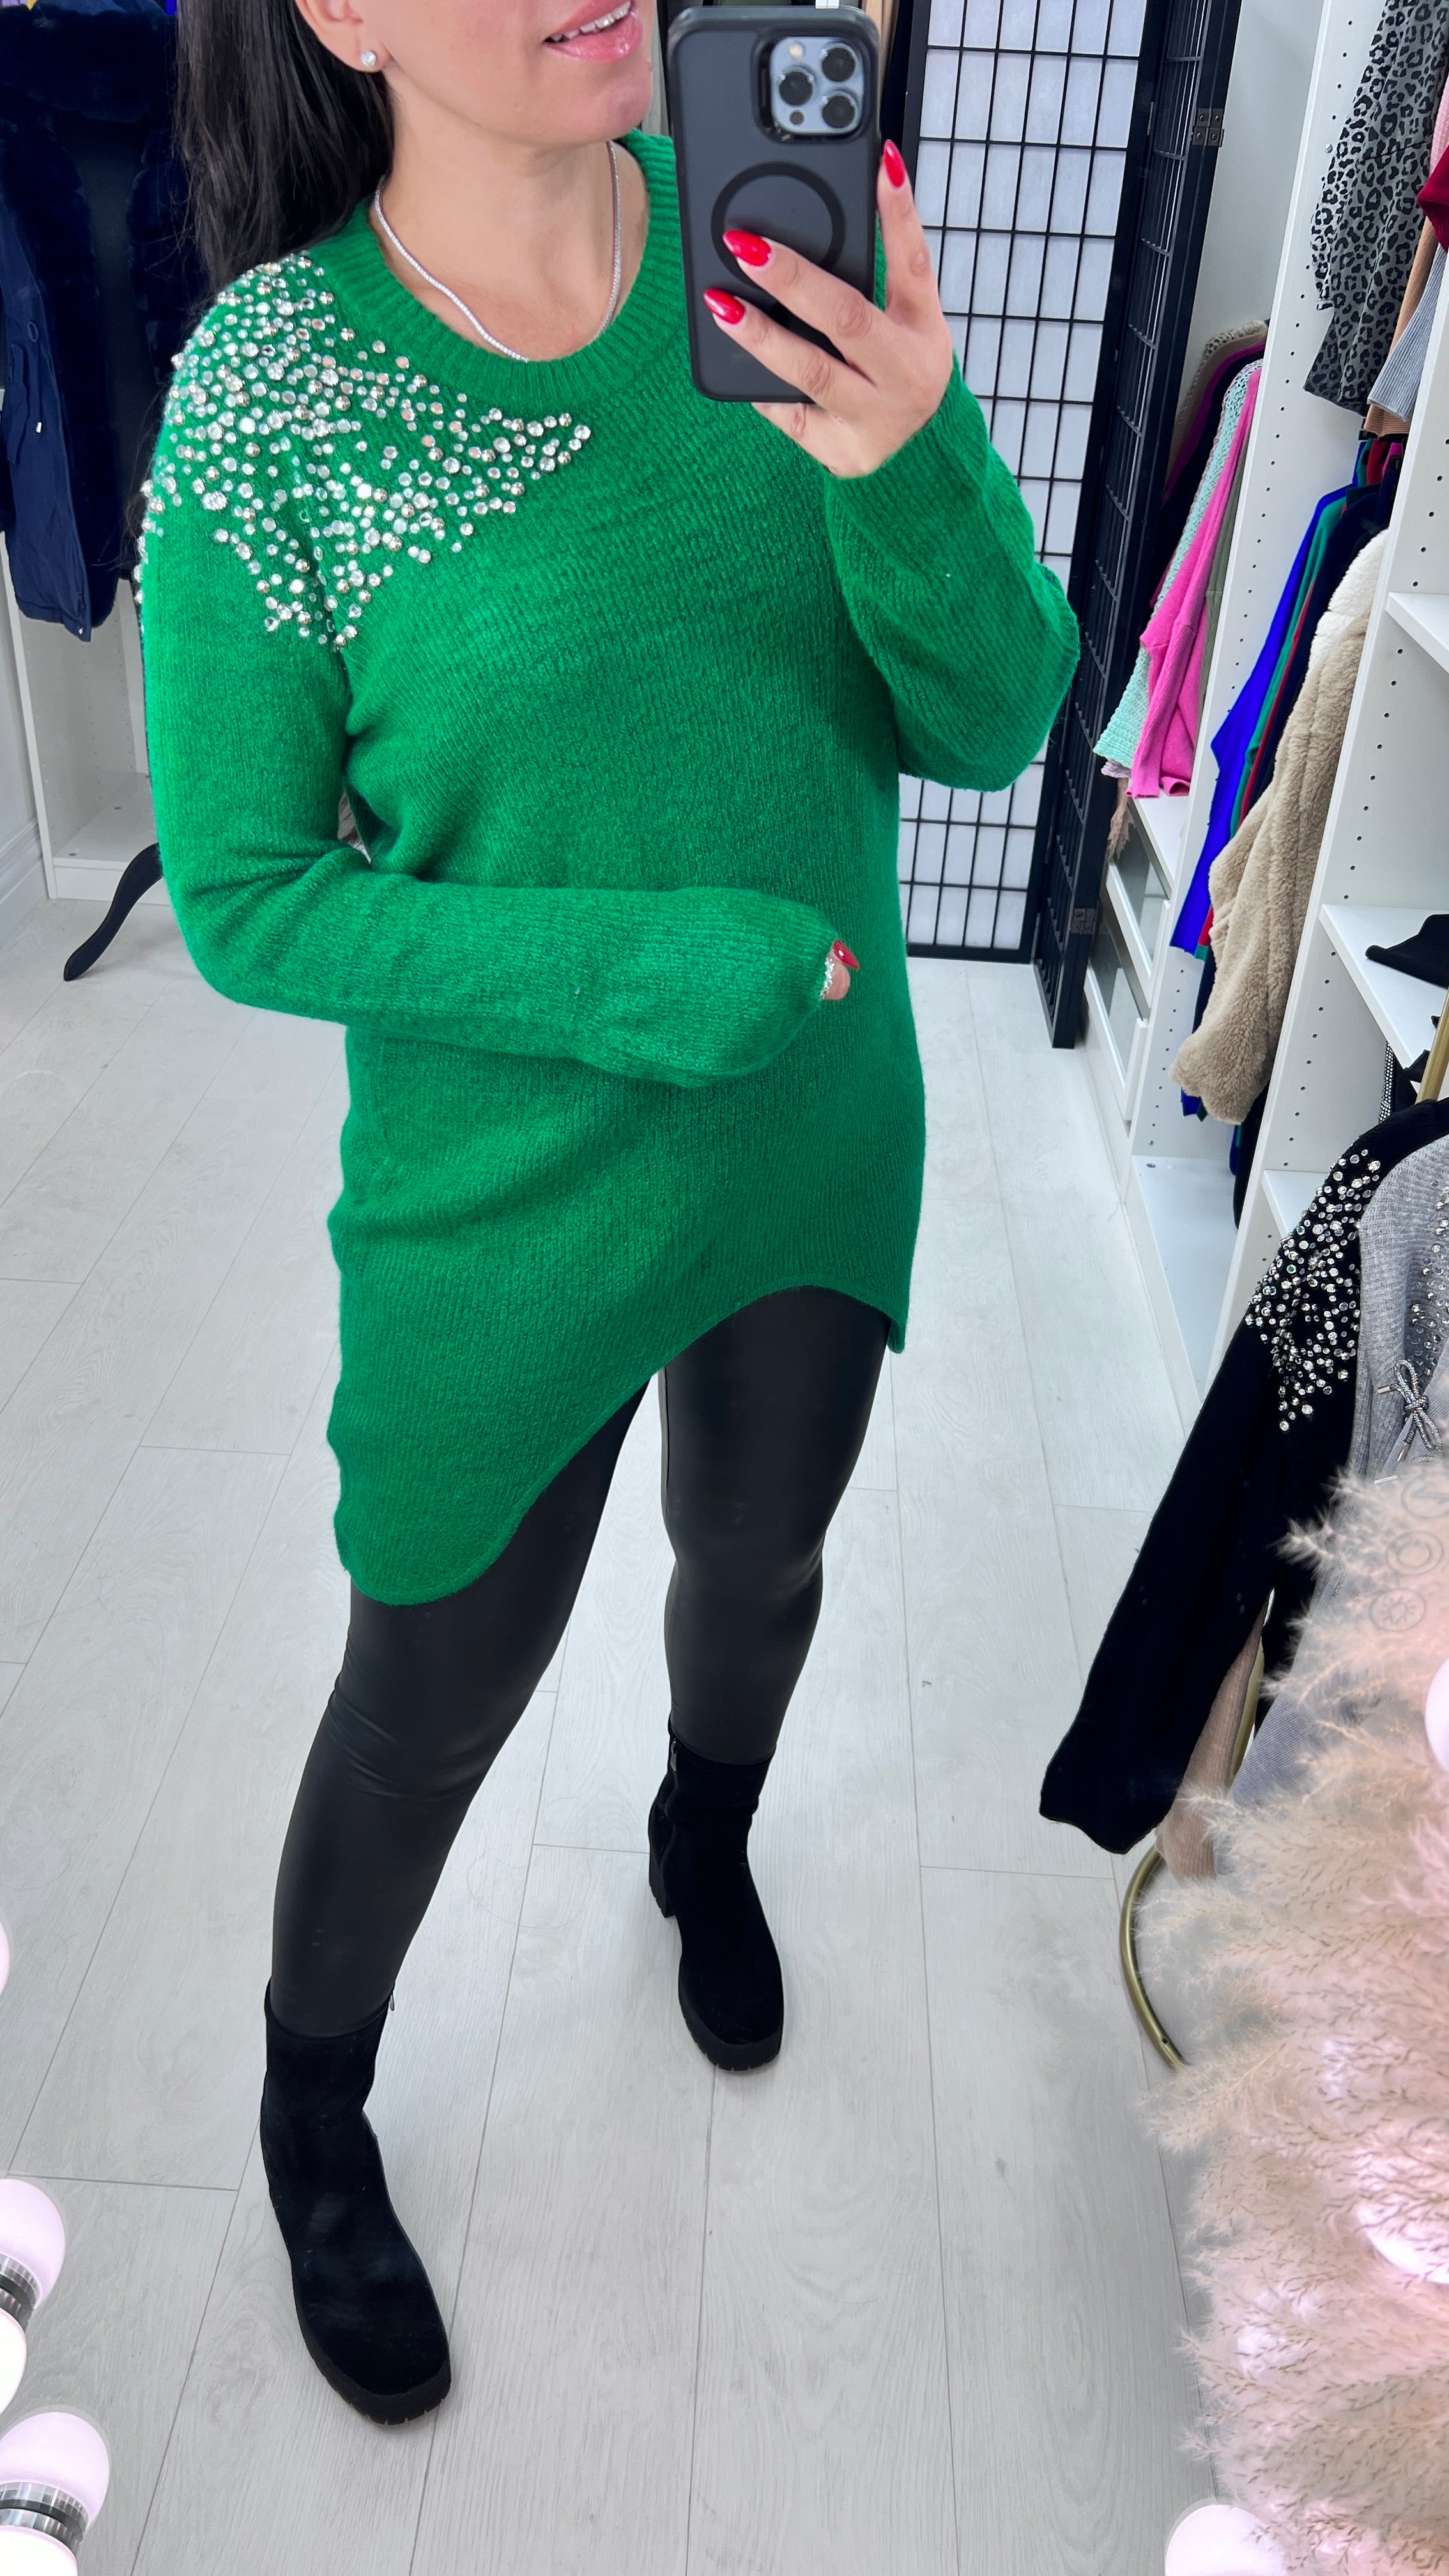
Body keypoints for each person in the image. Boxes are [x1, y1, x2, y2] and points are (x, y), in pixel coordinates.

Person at [143, 0, 1077, 2426]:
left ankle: (702, 1831)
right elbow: (244, 894)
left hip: (811, 1133)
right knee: (430, 1693)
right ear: (340, 14)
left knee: (759, 1565)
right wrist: (631, 974)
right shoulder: (268, 395)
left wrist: (905, 449)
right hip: (500, 1201)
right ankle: (313, 2104)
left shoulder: (781, 261)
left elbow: (994, 718)